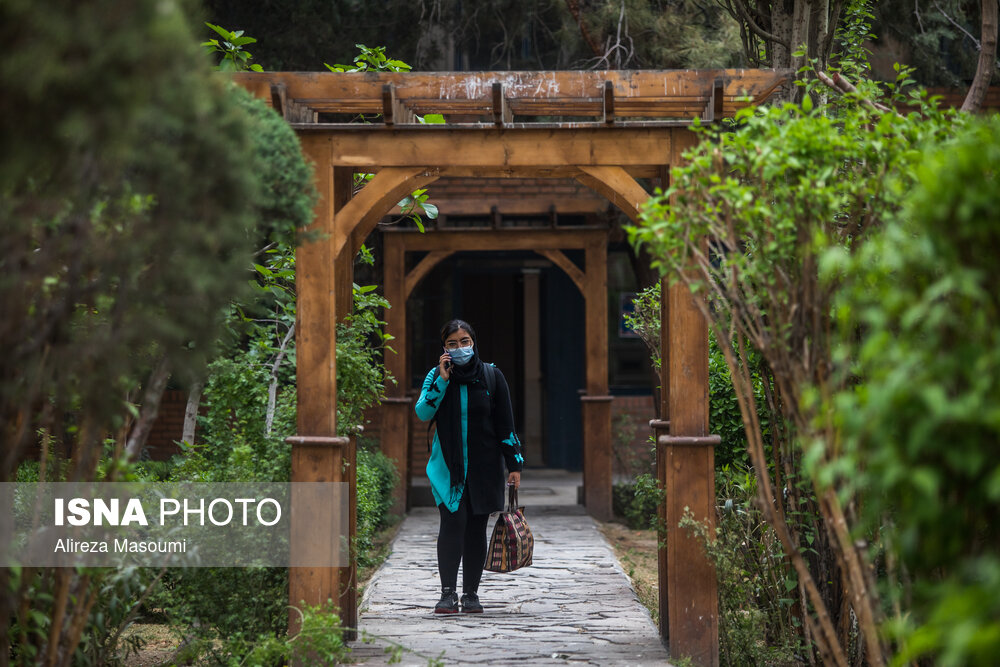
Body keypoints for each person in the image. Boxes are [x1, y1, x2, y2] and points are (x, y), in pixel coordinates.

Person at [415, 319, 524, 614]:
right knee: (453, 522)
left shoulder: (491, 376)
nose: (460, 348)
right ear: (444, 348)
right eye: (452, 343)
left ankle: (471, 594)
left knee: (476, 527)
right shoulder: (436, 376)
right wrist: (442, 380)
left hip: (484, 467)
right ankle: (447, 594)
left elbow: (505, 422)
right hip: (447, 469)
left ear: (473, 342)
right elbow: (423, 412)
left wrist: (514, 465)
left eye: (465, 342)